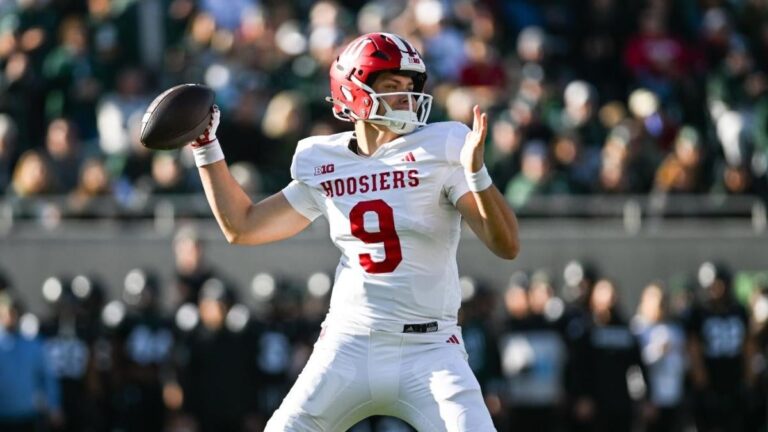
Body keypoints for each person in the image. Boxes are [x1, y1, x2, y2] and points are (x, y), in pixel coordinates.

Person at [185, 32, 519, 430]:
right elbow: (243, 227)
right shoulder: (322, 159)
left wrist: (477, 174)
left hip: (430, 349)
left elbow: (506, 245)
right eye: (392, 87)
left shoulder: (443, 146)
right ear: (354, 90)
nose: (406, 98)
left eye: (410, 87)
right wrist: (206, 145)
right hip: (348, 343)